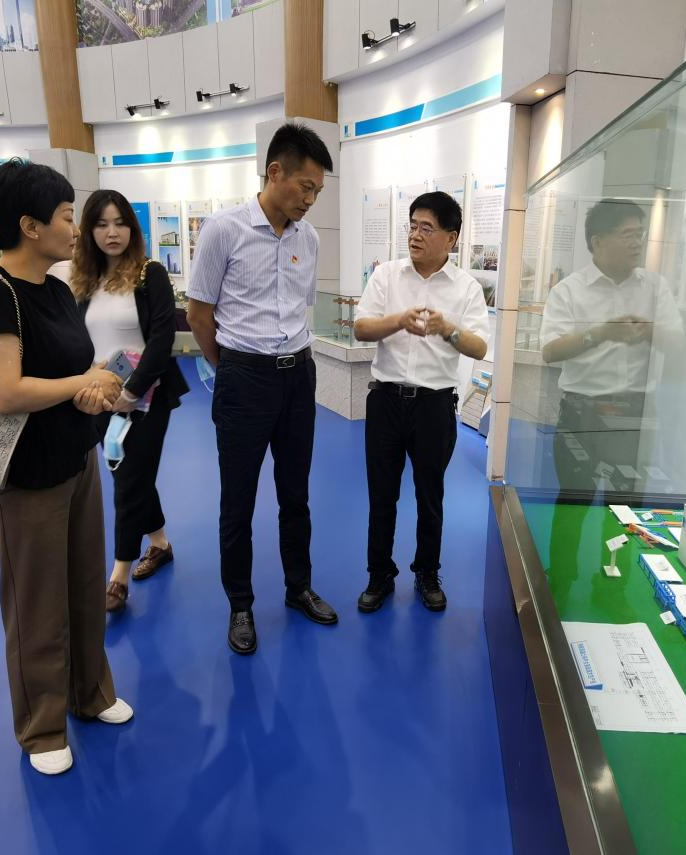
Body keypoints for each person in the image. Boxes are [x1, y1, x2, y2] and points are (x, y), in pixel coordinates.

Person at [0, 159, 133, 776]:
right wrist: (81, 382)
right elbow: (3, 392)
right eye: (65, 216)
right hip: (22, 476)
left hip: (76, 459)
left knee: (85, 586)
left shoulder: (56, 291)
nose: (75, 228)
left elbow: (65, 373)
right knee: (36, 603)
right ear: (29, 226)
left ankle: (91, 693)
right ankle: (42, 727)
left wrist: (93, 387)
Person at [186, 122, 337, 655]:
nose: (311, 200)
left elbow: (298, 307)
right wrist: (230, 367)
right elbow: (198, 314)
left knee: (296, 493)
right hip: (243, 377)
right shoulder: (223, 230)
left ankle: (299, 587)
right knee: (239, 499)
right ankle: (241, 604)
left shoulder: (308, 238)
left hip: (298, 376)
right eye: (306, 187)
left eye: (318, 190)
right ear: (275, 172)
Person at [539, 198, 683, 608]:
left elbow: (678, 341)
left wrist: (649, 330)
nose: (637, 242)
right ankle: (561, 579)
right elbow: (550, 350)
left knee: (625, 505)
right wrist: (601, 333)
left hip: (634, 412)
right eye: (627, 234)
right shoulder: (569, 291)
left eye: (640, 234)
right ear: (597, 241)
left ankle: (612, 587)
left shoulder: (654, 288)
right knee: (574, 501)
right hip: (582, 411)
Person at [352, 191, 489, 612]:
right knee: (382, 496)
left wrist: (448, 329)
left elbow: (479, 347)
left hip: (434, 406)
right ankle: (379, 575)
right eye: (412, 226)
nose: (415, 235)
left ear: (451, 238)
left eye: (426, 228)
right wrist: (398, 320)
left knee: (430, 497)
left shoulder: (466, 288)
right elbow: (361, 329)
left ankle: (427, 573)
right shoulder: (387, 276)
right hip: (386, 401)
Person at [72, 189, 191, 614]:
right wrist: (91, 382)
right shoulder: (86, 281)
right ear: (89, 231)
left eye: (120, 223)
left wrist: (131, 392)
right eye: (102, 224)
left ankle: (119, 574)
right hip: (100, 398)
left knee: (128, 481)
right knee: (132, 475)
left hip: (147, 397)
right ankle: (159, 543)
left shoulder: (148, 274)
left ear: (132, 229)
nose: (112, 232)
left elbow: (161, 339)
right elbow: (80, 340)